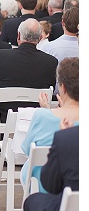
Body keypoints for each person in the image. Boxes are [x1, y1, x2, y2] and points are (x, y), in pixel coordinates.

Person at [0, 19, 57, 133]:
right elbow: (51, 89)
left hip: (4, 114)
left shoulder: (1, 57)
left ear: (18, 36)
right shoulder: (51, 62)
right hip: (35, 113)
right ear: (40, 38)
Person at [18, 57, 78, 192]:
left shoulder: (42, 116)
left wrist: (47, 110)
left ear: (62, 87)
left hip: (44, 185)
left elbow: (27, 149)